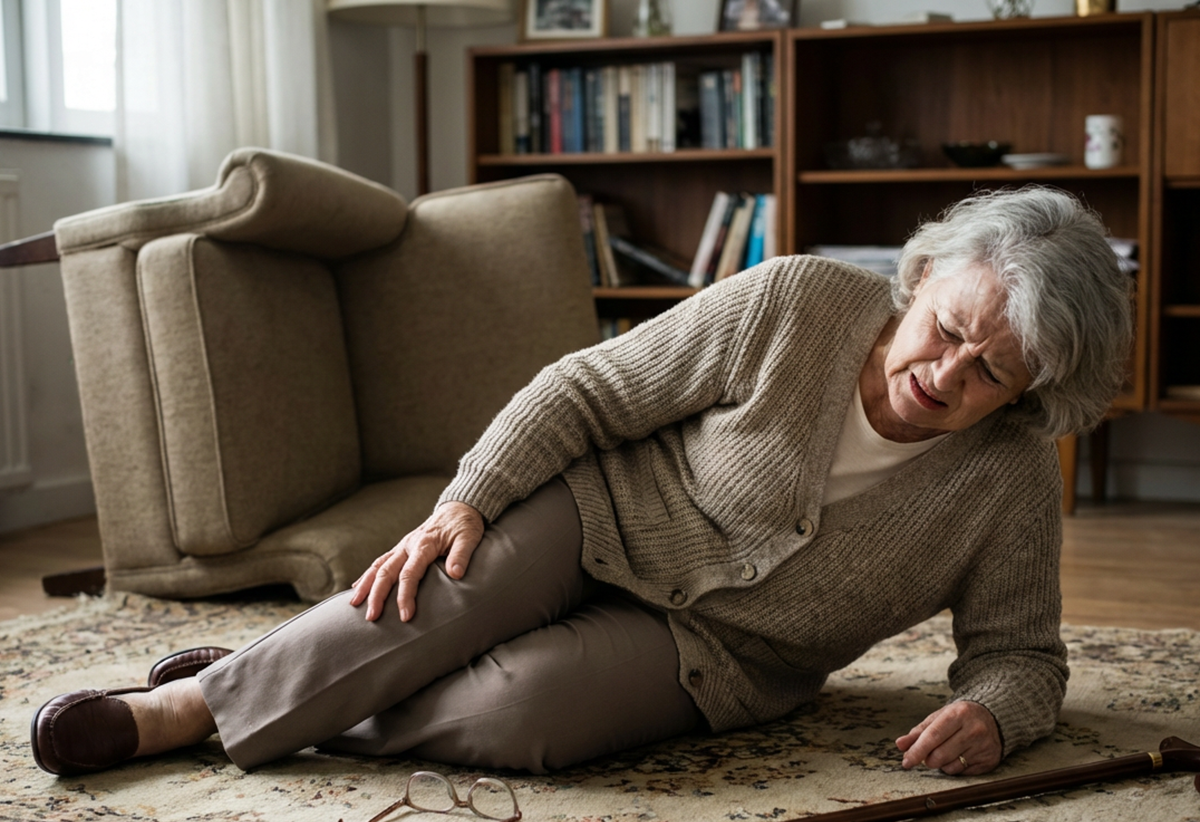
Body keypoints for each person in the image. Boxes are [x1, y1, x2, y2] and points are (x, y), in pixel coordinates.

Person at [31, 187, 1132, 781]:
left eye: (993, 372)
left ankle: (281, 679)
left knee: (520, 713)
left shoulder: (1009, 482)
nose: (945, 374)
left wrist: (997, 710)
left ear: (1035, 393)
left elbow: (1020, 652)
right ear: (926, 274)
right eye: (947, 331)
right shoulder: (799, 301)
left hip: (725, 655)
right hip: (602, 509)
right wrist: (469, 494)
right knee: (442, 596)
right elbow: (589, 388)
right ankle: (178, 711)